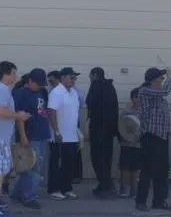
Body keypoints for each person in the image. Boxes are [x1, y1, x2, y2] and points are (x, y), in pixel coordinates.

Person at [0, 61, 30, 217]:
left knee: (4, 167)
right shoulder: (2, 89)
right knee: (0, 170)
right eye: (13, 74)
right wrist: (19, 115)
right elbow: (0, 110)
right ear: (6, 74)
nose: (15, 77)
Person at [135, 67, 171, 212]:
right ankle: (140, 201)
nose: (162, 81)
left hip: (162, 136)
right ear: (154, 80)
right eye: (161, 78)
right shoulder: (145, 91)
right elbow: (165, 91)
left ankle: (159, 201)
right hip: (150, 136)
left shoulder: (160, 97)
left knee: (162, 171)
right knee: (147, 170)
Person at [10, 68, 50, 209]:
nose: (40, 86)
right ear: (30, 81)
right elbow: (19, 116)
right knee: (33, 167)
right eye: (38, 83)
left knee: (28, 166)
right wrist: (23, 136)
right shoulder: (20, 94)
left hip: (41, 133)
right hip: (30, 135)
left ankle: (17, 193)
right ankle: (28, 196)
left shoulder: (41, 92)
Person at [47, 67, 82, 201]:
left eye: (74, 78)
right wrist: (56, 131)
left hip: (71, 135)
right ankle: (54, 189)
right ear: (63, 78)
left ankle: (67, 188)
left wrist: (78, 131)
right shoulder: (56, 92)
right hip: (59, 135)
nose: (73, 80)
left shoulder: (73, 92)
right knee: (56, 163)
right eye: (71, 77)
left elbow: (74, 113)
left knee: (69, 164)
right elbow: (52, 112)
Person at [86, 67, 119, 196]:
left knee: (97, 158)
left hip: (98, 128)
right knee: (107, 158)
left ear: (94, 75)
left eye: (90, 76)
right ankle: (106, 184)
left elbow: (90, 103)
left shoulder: (95, 86)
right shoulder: (111, 87)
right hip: (109, 130)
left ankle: (105, 185)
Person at [118, 88, 142, 198]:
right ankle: (125, 189)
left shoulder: (145, 111)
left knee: (137, 168)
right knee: (125, 168)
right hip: (126, 143)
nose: (139, 100)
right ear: (132, 98)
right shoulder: (126, 111)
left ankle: (135, 189)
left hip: (139, 144)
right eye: (137, 97)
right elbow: (121, 125)